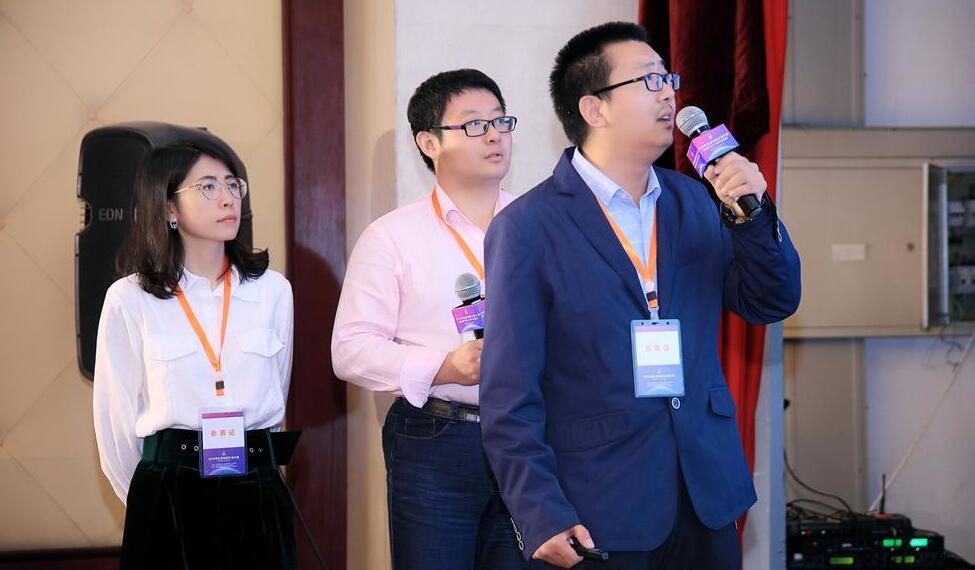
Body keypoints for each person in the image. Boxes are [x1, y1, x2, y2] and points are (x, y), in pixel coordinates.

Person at [480, 22, 801, 569]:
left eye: (668, 78)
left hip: (705, 494)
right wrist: (540, 512)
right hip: (598, 504)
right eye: (649, 80)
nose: (669, 94)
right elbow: (509, 392)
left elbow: (771, 300)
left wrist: (753, 213)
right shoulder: (528, 227)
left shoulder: (696, 201)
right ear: (594, 108)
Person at [332, 69, 536, 569]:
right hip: (437, 439)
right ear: (429, 143)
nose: (494, 135)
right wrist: (445, 367)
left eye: (501, 121)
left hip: (530, 436)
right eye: (474, 125)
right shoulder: (392, 237)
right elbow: (351, 350)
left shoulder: (540, 225)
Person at [93, 138, 297, 569]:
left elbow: (278, 390)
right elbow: (115, 424)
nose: (227, 198)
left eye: (233, 184)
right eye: (207, 186)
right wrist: (153, 503)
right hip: (169, 494)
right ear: (169, 208)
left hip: (257, 490)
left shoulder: (273, 291)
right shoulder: (130, 298)